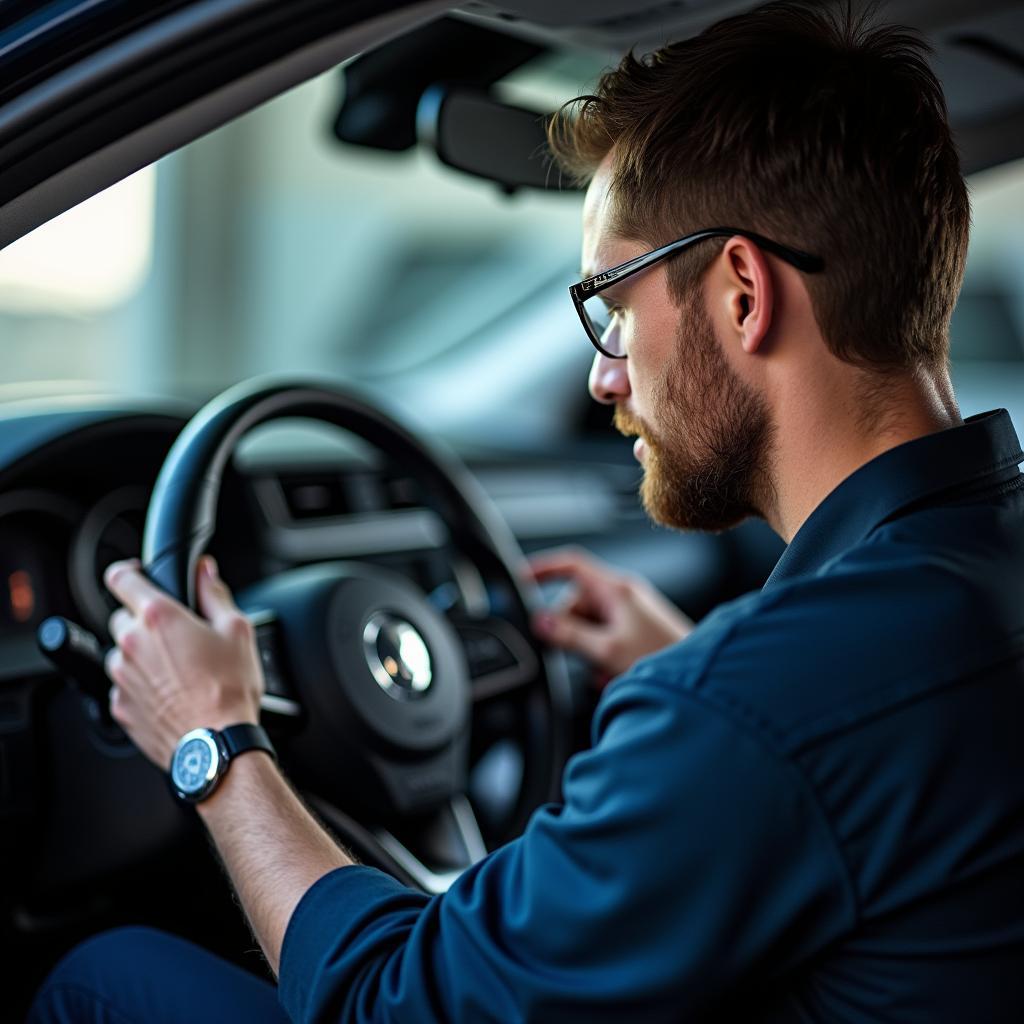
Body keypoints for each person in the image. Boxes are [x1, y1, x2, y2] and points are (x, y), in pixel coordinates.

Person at [29, 1, 1024, 1021]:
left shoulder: (751, 709)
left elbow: (394, 1002)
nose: (603, 377)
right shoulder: (965, 578)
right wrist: (689, 692)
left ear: (739, 292)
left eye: (612, 306)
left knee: (101, 979)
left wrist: (214, 739)